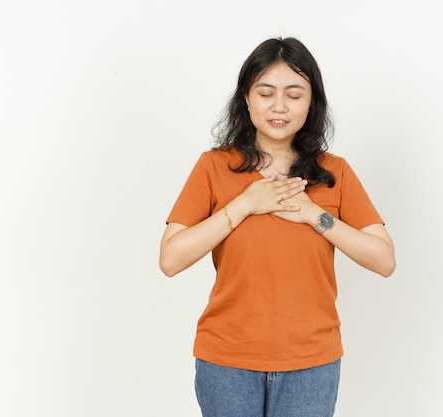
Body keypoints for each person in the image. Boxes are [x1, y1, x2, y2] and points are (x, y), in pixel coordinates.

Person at [159, 36, 395, 417]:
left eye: (294, 93)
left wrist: (314, 215)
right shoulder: (213, 166)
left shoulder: (335, 172)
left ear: (311, 102)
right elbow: (170, 259)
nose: (279, 106)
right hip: (227, 360)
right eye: (266, 92)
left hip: (311, 363)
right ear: (246, 99)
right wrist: (246, 203)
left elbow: (384, 259)